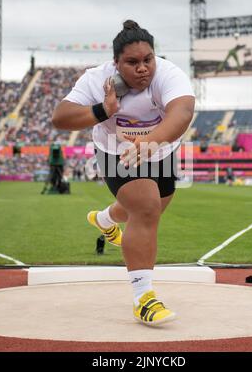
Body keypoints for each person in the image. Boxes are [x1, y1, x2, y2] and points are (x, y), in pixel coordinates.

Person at [52, 20, 195, 326]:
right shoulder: (97, 79)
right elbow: (60, 118)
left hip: (162, 150)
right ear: (115, 63)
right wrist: (103, 110)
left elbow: (182, 112)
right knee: (145, 208)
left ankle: (104, 219)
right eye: (132, 62)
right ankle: (144, 298)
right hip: (116, 151)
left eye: (148, 60)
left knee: (153, 207)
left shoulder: (169, 74)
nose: (143, 68)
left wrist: (149, 142)